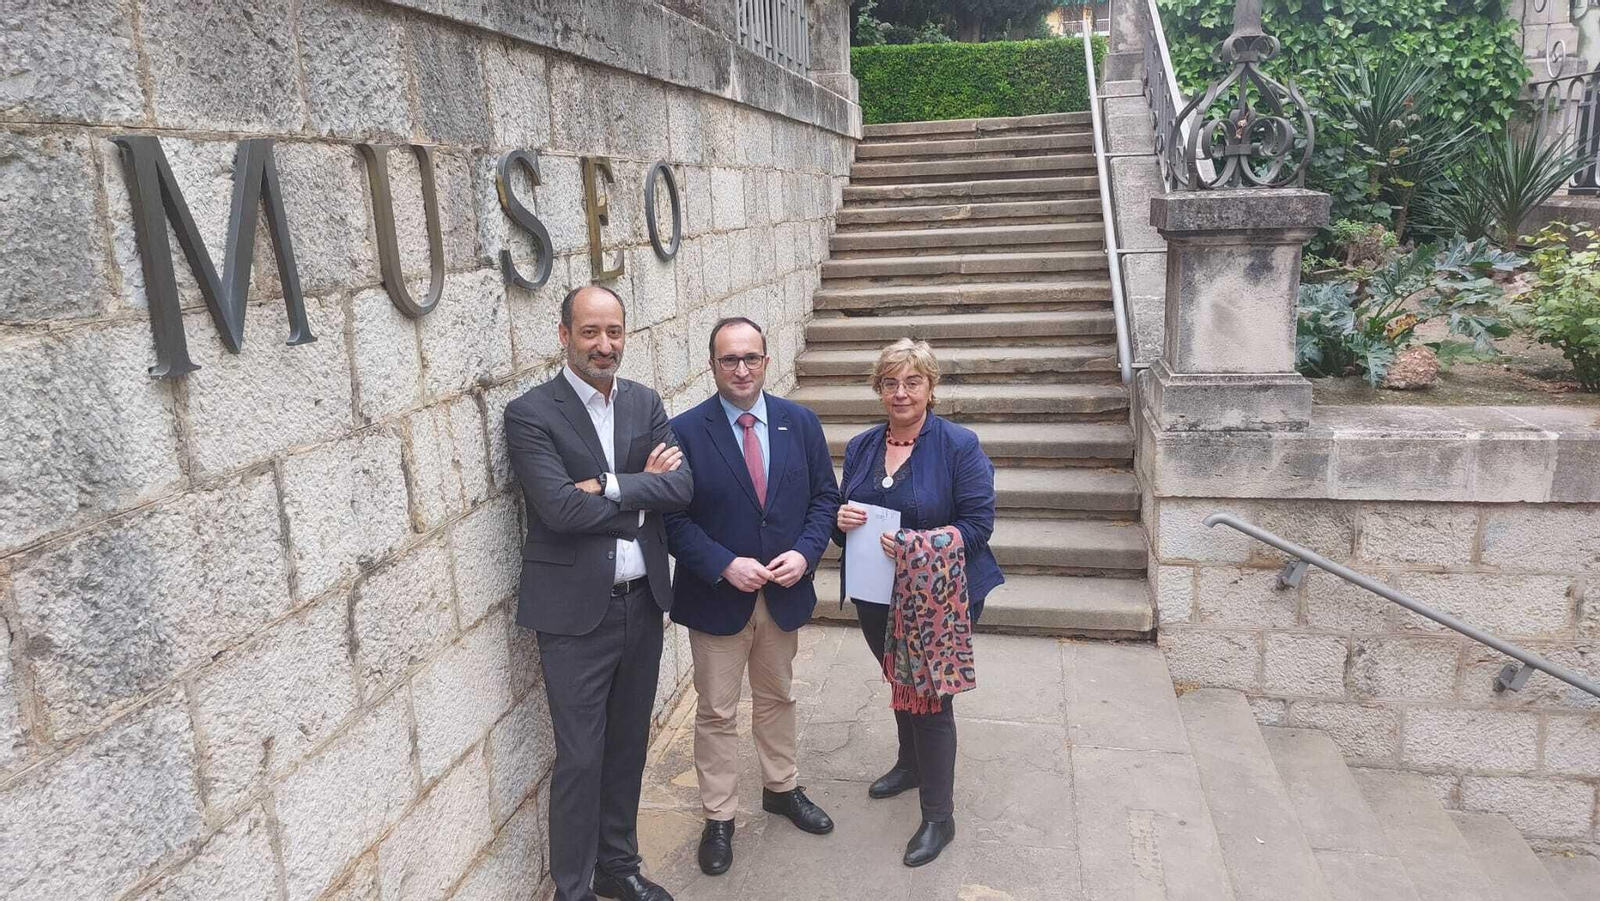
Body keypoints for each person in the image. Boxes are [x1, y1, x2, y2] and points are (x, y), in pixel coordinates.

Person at [504, 285, 693, 901]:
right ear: (564, 335)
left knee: (628, 745)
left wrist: (607, 487)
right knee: (581, 758)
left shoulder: (645, 402)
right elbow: (557, 509)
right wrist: (640, 497)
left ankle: (619, 866)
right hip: (575, 618)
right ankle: (573, 888)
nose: (603, 345)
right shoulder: (532, 412)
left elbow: (683, 487)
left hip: (643, 602)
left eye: (613, 331)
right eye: (590, 332)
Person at [664, 317, 841, 877]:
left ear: (766, 360)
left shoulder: (800, 422)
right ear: (712, 365)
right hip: (718, 598)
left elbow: (823, 500)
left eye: (751, 358)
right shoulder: (682, 432)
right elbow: (669, 519)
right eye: (728, 360)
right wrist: (722, 563)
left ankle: (781, 787)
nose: (741, 369)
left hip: (783, 594)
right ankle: (719, 817)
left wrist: (807, 553)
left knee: (777, 697)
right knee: (716, 711)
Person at [833, 338, 1003, 868]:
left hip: (940, 598)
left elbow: (978, 525)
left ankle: (938, 815)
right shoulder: (862, 446)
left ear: (930, 387)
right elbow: (846, 514)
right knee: (897, 677)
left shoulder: (958, 445)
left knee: (931, 697)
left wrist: (915, 544)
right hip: (876, 593)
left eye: (912, 381)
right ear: (878, 389)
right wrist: (840, 522)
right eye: (890, 382)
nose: (900, 392)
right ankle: (909, 766)